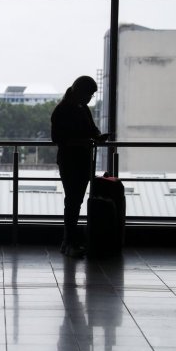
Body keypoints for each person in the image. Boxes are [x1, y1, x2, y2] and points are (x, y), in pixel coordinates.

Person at [51, 75, 109, 258]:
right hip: (73, 160)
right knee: (74, 201)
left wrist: (96, 136)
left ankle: (68, 242)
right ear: (79, 91)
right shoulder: (66, 110)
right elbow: (59, 139)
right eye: (89, 94)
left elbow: (91, 130)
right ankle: (69, 242)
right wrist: (91, 138)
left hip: (77, 159)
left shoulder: (72, 108)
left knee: (74, 201)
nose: (90, 98)